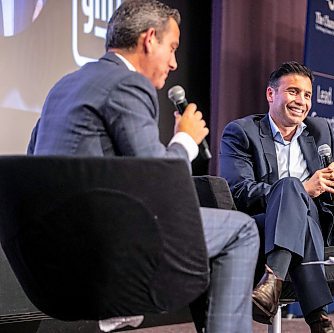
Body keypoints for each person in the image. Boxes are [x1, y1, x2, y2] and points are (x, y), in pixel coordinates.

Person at [27, 1, 259, 332]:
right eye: (172, 48)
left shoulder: (64, 86)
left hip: (52, 249)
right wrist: (186, 141)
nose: (175, 63)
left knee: (205, 236)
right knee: (240, 230)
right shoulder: (129, 83)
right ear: (150, 39)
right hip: (106, 245)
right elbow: (157, 184)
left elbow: (35, 158)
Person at [220, 61, 334, 333]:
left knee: (299, 205)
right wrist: (303, 189)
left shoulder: (319, 132)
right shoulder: (242, 133)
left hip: (313, 227)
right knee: (289, 187)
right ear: (271, 95)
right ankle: (318, 318)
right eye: (293, 92)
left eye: (307, 95)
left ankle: (272, 282)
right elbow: (239, 190)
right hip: (263, 227)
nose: (302, 101)